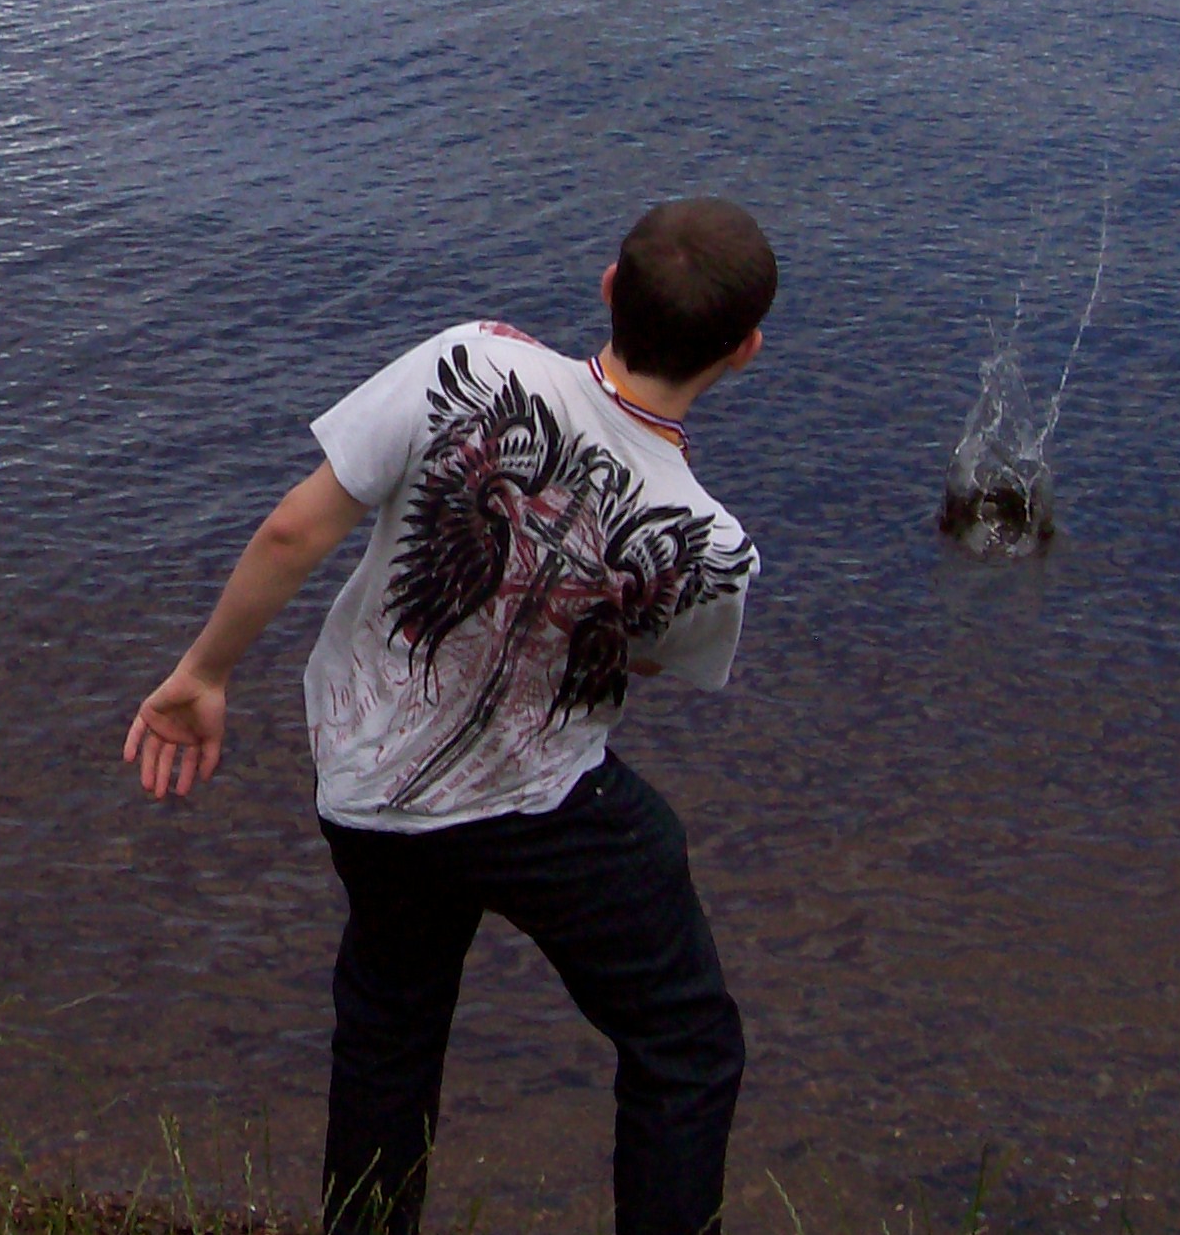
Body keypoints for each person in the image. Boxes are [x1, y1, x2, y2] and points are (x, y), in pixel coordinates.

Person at [123, 198, 775, 1235]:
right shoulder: (711, 546)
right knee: (685, 1041)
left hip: (372, 787)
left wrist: (204, 673)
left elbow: (296, 527)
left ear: (608, 284)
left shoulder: (469, 361)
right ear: (742, 352)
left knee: (390, 1023)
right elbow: (640, 656)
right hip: (545, 806)